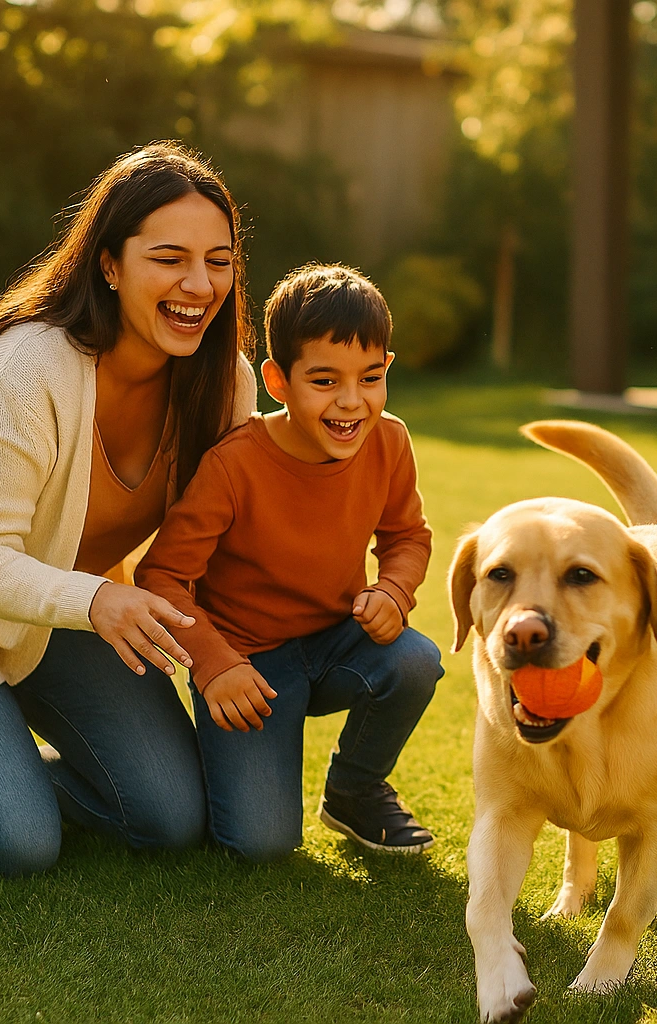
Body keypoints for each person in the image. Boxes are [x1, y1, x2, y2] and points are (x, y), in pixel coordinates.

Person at [0, 142, 259, 875]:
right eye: (169, 258)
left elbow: (223, 541)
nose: (199, 283)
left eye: (218, 261)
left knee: (170, 817)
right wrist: (99, 601)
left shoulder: (224, 384)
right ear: (110, 264)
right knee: (13, 845)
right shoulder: (32, 365)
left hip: (62, 608)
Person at [134, 263, 442, 861]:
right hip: (248, 670)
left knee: (414, 660)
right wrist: (215, 664)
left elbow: (408, 536)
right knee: (260, 845)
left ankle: (353, 792)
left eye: (370, 378)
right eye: (324, 381)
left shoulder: (391, 441)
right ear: (278, 380)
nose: (351, 402)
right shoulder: (234, 465)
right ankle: (189, 771)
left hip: (336, 645)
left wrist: (393, 592)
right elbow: (162, 577)